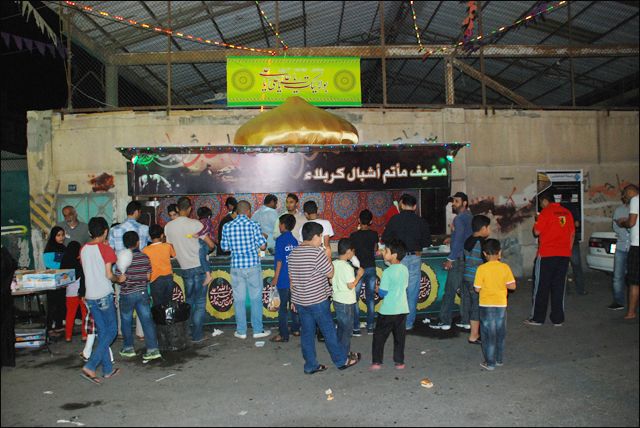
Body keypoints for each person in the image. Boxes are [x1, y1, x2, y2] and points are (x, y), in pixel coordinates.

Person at [289, 222, 360, 374]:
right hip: (317, 301)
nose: (321, 241)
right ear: (315, 237)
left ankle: (311, 365)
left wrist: (294, 299)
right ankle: (342, 361)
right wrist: (327, 256)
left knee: (307, 334)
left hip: (301, 301)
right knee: (329, 331)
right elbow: (330, 273)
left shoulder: (294, 253)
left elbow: (292, 279)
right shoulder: (317, 253)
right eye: (320, 237)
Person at [165, 197, 216, 342]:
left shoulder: (168, 227)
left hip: (185, 268)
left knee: (188, 302)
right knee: (200, 303)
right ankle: (197, 335)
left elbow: (170, 249)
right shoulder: (195, 224)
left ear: (177, 208)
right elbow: (211, 245)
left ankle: (186, 331)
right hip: (200, 268)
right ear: (189, 209)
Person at [79, 217, 123, 384]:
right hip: (104, 294)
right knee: (111, 332)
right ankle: (91, 365)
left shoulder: (83, 249)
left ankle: (107, 370)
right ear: (106, 231)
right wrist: (120, 279)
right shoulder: (106, 249)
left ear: (89, 232)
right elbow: (109, 275)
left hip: (90, 296)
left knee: (103, 333)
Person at [524, 190, 574, 326]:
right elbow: (572, 235)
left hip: (547, 254)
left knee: (541, 287)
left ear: (545, 201)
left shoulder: (545, 213)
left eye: (541, 203)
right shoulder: (567, 213)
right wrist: (568, 252)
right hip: (564, 255)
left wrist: (536, 222)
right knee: (559, 287)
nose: (541, 205)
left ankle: (537, 318)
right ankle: (558, 319)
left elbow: (536, 232)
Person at [382, 193, 432, 330]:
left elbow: (385, 238)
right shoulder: (421, 221)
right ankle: (408, 323)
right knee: (412, 291)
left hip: (399, 259)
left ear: (401, 205)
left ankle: (396, 321)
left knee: (397, 289)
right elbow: (427, 242)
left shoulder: (395, 219)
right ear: (415, 206)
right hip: (415, 257)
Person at [221, 200, 270, 339]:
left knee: (239, 300)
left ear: (236, 211)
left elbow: (224, 248)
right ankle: (257, 330)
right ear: (248, 211)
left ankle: (241, 331)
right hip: (253, 267)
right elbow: (263, 246)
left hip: (236, 267)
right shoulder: (254, 225)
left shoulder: (227, 226)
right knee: (256, 300)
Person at [108, 201, 151, 340]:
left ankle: (121, 332)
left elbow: (110, 252)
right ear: (137, 212)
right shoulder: (144, 229)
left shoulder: (114, 230)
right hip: (140, 271)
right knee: (141, 303)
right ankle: (141, 332)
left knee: (122, 303)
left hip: (121, 273)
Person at [115, 231, 161, 360]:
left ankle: (128, 348)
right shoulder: (144, 257)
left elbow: (119, 278)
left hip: (127, 293)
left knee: (126, 321)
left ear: (124, 243)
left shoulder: (122, 258)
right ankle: (153, 349)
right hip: (142, 292)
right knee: (147, 321)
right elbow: (148, 276)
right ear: (137, 242)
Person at [430, 191, 473, 330]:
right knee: (465, 291)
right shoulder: (470, 216)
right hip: (468, 257)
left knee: (450, 290)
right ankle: (466, 320)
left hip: (458, 258)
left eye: (456, 201)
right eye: (453, 201)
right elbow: (465, 236)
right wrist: (452, 238)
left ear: (464, 203)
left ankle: (444, 320)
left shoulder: (458, 219)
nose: (453, 204)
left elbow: (459, 240)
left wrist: (450, 259)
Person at [474, 239, 516, 370]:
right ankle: (498, 359)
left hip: (486, 304)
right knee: (500, 332)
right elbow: (512, 286)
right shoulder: (505, 267)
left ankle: (489, 362)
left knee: (488, 334)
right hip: (501, 304)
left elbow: (477, 289)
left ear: (484, 253)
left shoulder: (481, 269)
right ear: (500, 253)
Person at [370, 238, 409, 371]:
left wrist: (377, 289)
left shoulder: (387, 272)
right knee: (399, 337)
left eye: (386, 251)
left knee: (379, 336)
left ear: (394, 255)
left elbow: (382, 293)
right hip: (402, 308)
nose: (383, 253)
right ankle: (399, 361)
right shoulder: (404, 269)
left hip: (388, 310)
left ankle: (377, 361)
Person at [269, 214, 300, 343]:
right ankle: (296, 329)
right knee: (294, 305)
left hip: (282, 278)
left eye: (279, 224)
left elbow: (279, 260)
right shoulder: (295, 241)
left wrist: (275, 278)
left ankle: (283, 334)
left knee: (283, 308)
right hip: (294, 279)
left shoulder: (280, 240)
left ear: (283, 225)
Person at [331, 238, 364, 358]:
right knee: (347, 330)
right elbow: (351, 286)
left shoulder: (334, 263)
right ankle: (344, 355)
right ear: (349, 251)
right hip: (347, 301)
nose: (353, 254)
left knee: (341, 327)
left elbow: (330, 281)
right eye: (353, 252)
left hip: (337, 299)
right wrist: (358, 276)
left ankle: (340, 351)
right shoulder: (347, 268)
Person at [462, 215, 491, 344]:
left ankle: (476, 332)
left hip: (468, 276)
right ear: (483, 228)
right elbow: (476, 262)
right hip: (476, 278)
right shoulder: (479, 243)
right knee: (477, 306)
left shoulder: (469, 240)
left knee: (474, 304)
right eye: (489, 227)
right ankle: (474, 335)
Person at [349, 209, 379, 335]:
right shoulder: (374, 234)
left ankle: (356, 327)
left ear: (359, 220)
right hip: (371, 267)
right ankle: (370, 326)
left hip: (358, 269)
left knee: (355, 297)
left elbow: (352, 252)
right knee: (370, 298)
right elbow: (376, 248)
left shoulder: (353, 235)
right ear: (371, 222)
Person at [615, 184, 639, 320]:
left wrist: (623, 223)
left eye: (625, 195)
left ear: (630, 192)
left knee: (634, 281)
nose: (624, 197)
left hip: (637, 245)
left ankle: (631, 313)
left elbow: (632, 223)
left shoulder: (636, 200)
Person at [59, 241, 87, 342]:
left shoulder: (65, 261)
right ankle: (84, 335)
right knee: (84, 314)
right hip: (82, 292)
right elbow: (84, 276)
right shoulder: (80, 261)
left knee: (70, 314)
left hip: (70, 292)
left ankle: (68, 336)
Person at [143, 225, 177, 307]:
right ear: (162, 235)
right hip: (169, 278)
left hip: (155, 279)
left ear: (149, 236)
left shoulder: (146, 250)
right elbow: (174, 255)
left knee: (158, 306)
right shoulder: (168, 246)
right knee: (168, 304)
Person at [560, 193, 586, 295]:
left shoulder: (558, 207)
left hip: (561, 241)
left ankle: (565, 290)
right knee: (577, 267)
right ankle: (580, 289)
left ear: (561, 198)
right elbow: (577, 224)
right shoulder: (573, 207)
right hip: (572, 240)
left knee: (563, 268)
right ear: (570, 198)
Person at [43, 226, 67, 337]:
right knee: (52, 305)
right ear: (53, 236)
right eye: (58, 235)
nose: (61, 237)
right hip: (52, 281)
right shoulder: (49, 249)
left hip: (62, 281)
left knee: (61, 303)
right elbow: (49, 264)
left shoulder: (64, 248)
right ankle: (49, 327)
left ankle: (59, 325)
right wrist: (63, 266)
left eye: (62, 235)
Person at [610, 193, 630, 310]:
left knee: (633, 277)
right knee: (617, 276)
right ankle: (618, 301)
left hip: (634, 246)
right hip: (622, 245)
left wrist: (627, 223)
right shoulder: (619, 210)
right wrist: (623, 224)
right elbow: (616, 227)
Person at [193, 206, 215, 286]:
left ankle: (208, 275)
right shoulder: (206, 221)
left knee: (202, 256)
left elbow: (205, 229)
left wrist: (198, 234)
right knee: (203, 257)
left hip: (204, 242)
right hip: (205, 242)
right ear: (209, 216)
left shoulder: (204, 221)